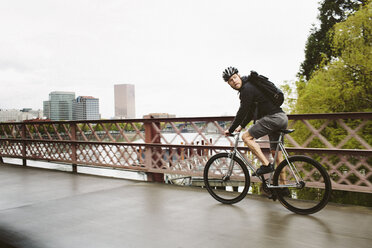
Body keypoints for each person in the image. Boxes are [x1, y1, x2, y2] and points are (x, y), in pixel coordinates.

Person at [222, 66, 288, 176]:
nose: (234, 81)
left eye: (234, 77)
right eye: (230, 81)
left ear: (239, 75)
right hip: (282, 117)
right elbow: (251, 112)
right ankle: (283, 188)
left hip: (273, 118)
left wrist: (231, 129)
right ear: (229, 84)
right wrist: (241, 126)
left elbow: (242, 111)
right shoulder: (251, 85)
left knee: (246, 137)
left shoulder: (246, 89)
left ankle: (266, 165)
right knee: (277, 156)